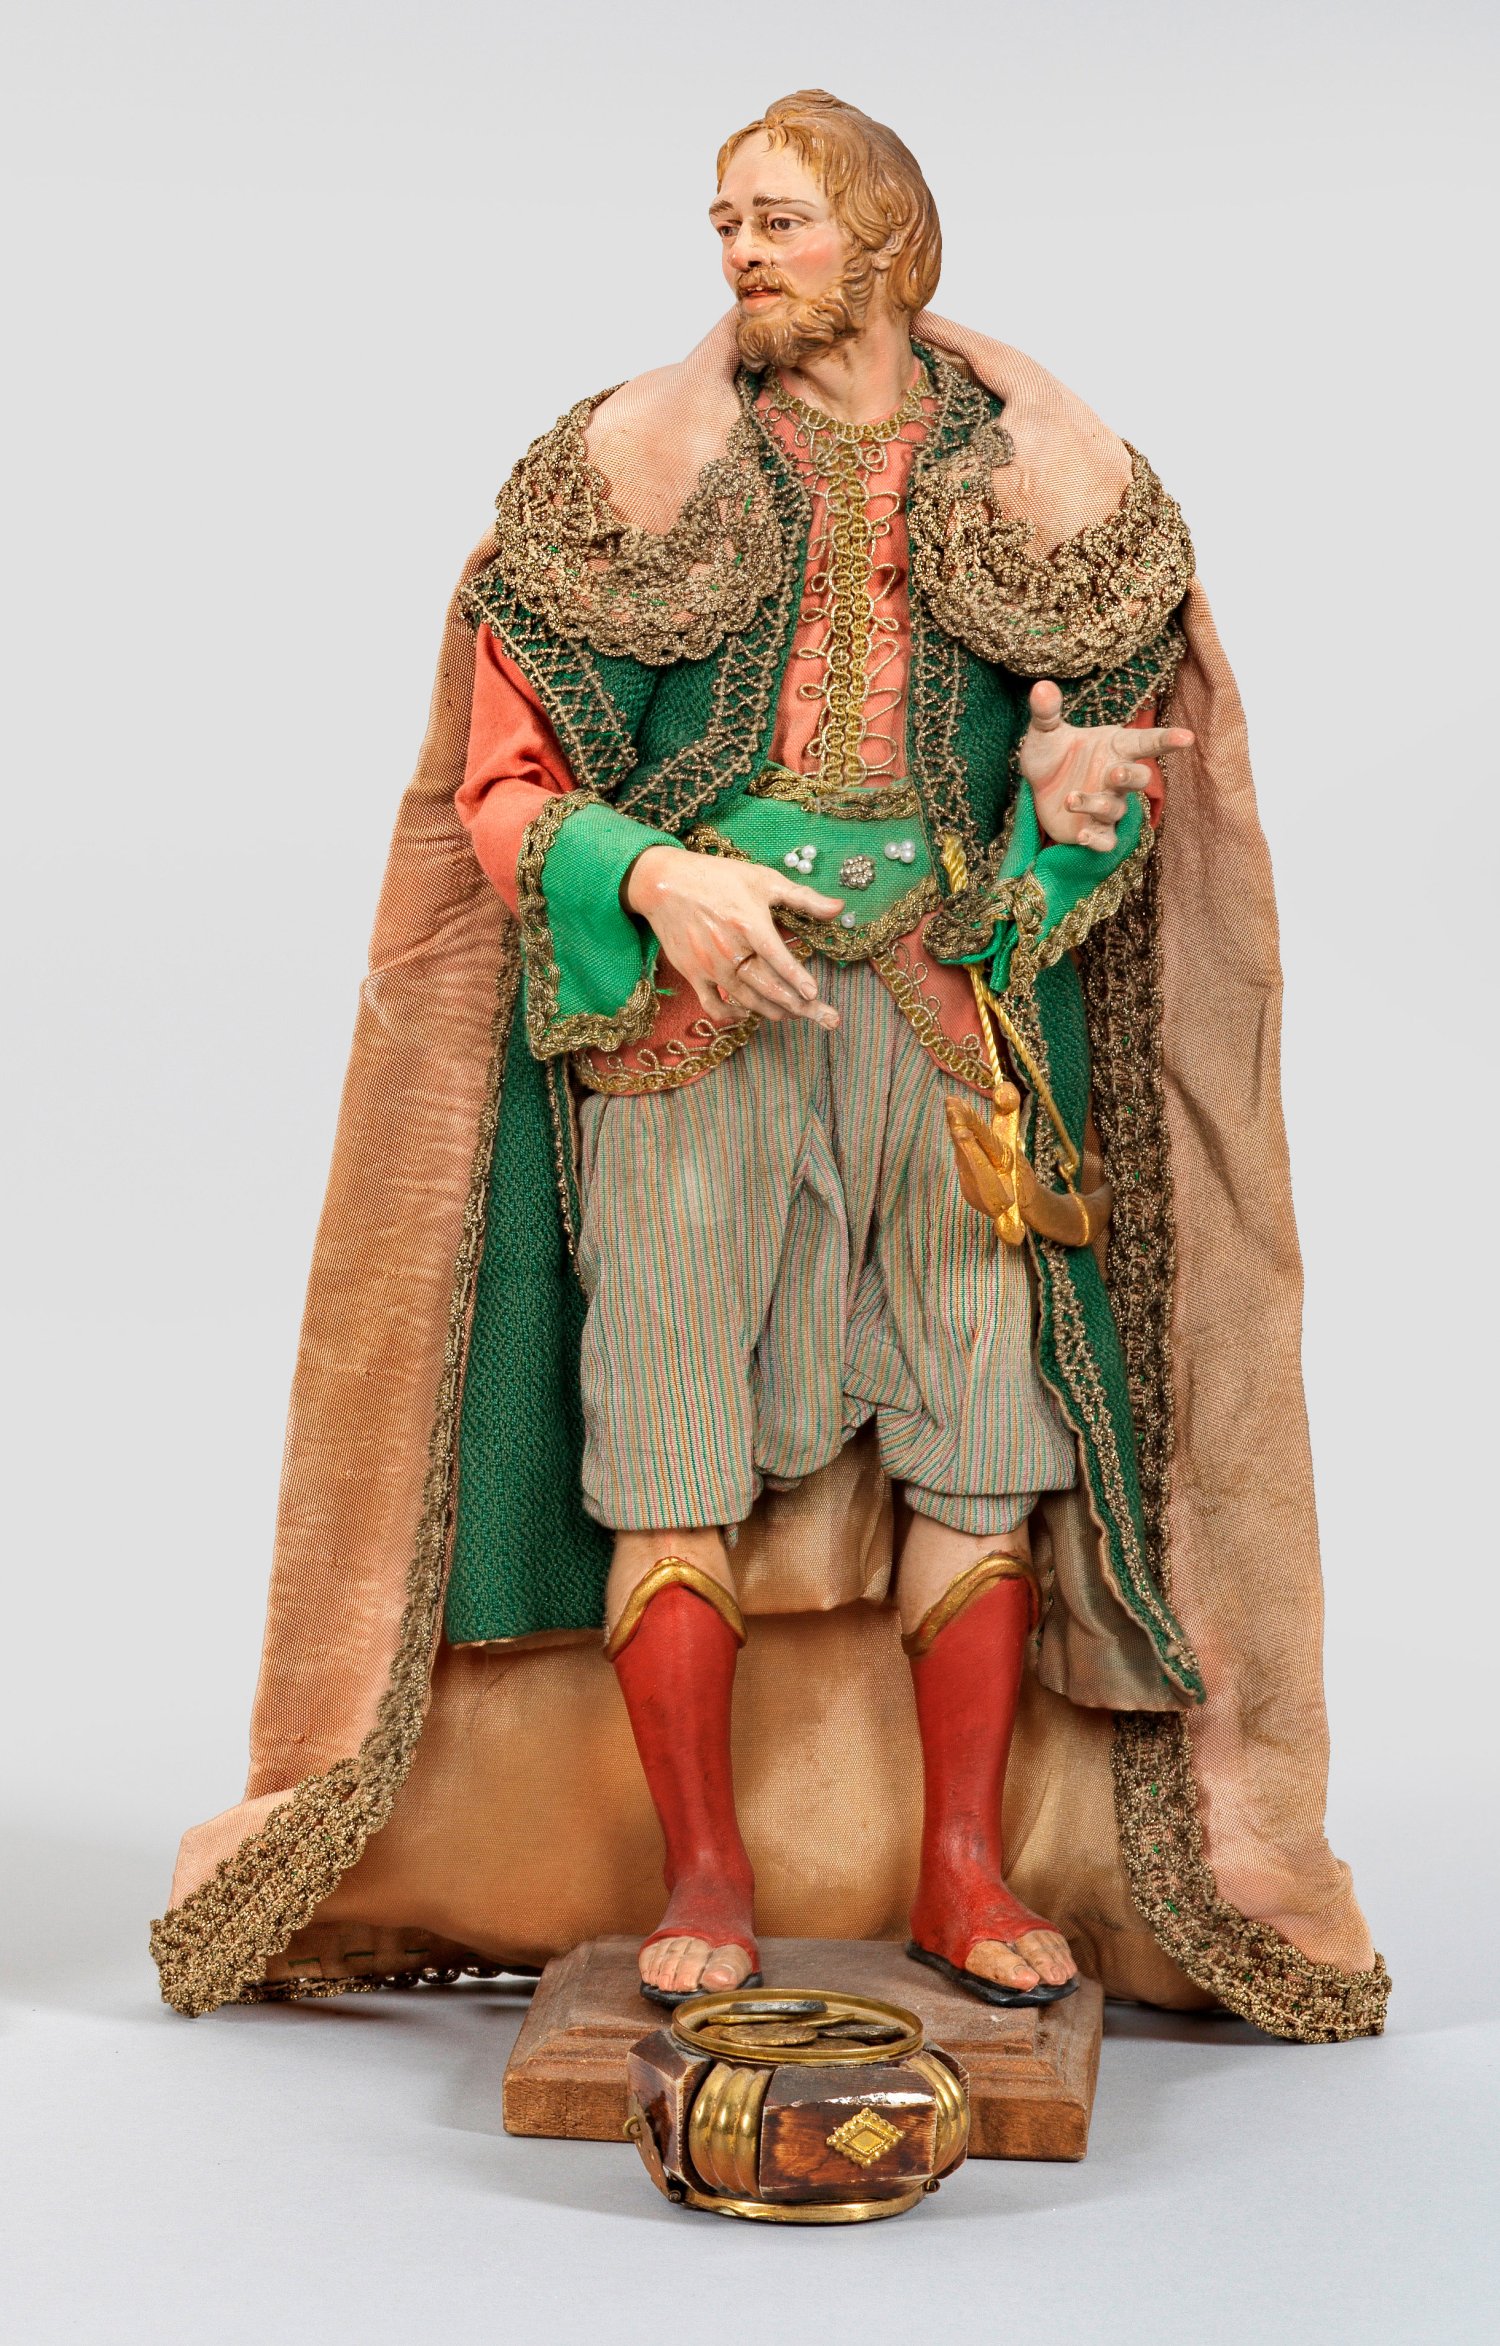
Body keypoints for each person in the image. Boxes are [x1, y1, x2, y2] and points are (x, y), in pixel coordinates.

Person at [155, 92, 1387, 2045]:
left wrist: (1068, 809)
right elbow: (505, 787)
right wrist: (653, 873)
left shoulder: (1041, 493)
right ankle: (705, 1872)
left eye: (782, 218)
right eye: (725, 219)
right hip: (686, 1031)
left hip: (944, 1026)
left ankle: (966, 1865)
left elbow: (1091, 808)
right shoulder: (626, 482)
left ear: (885, 238)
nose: (740, 249)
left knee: (987, 1435)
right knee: (664, 1443)